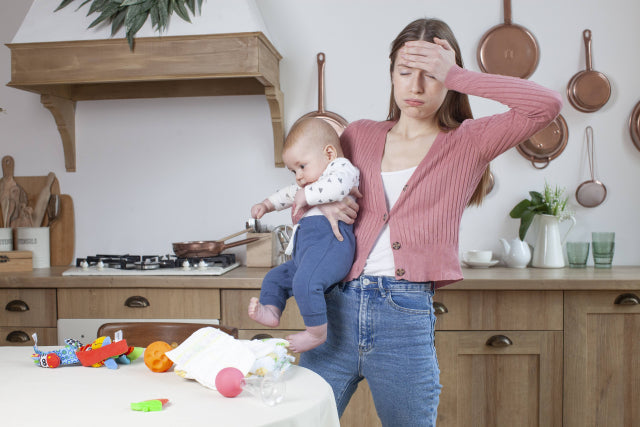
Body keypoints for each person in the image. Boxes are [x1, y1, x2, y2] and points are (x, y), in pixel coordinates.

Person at [298, 18, 563, 426]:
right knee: (295, 419)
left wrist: (459, 73)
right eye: (404, 73)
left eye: (432, 76)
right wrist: (322, 207)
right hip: (334, 312)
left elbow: (545, 105)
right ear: (391, 75)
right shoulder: (358, 135)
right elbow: (301, 195)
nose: (416, 87)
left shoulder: (469, 142)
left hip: (403, 319)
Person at [248, 118, 360, 353]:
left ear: (329, 153)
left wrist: (306, 195)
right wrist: (266, 205)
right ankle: (271, 310)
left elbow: (337, 189)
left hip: (331, 246)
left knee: (305, 282)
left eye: (301, 166)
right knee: (274, 278)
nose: (298, 176)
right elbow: (287, 194)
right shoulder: (307, 185)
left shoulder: (340, 170)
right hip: (306, 254)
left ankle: (316, 333)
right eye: (293, 171)